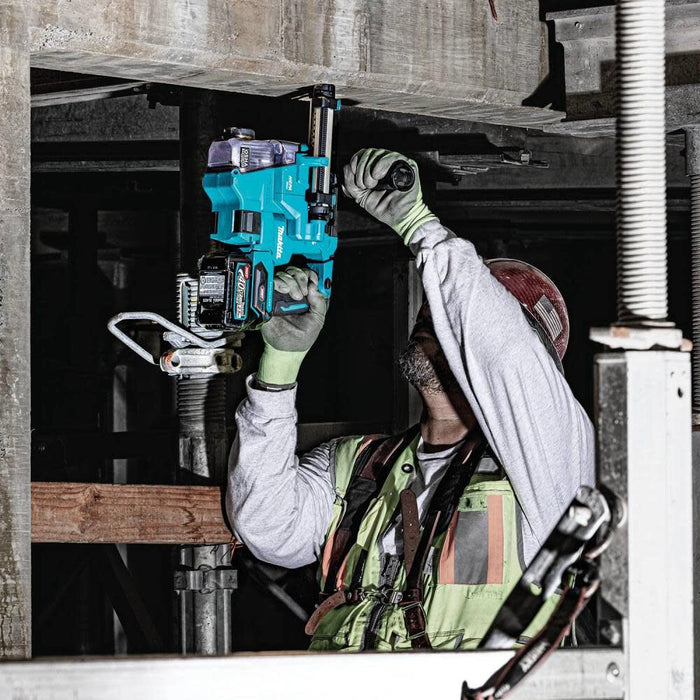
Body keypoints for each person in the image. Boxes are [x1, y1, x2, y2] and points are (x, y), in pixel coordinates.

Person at [226, 148, 595, 651]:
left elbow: (506, 352)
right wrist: (279, 366)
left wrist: (420, 227)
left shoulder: (551, 472)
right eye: (434, 310)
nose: (433, 315)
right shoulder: (359, 466)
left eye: (451, 314)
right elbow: (267, 528)